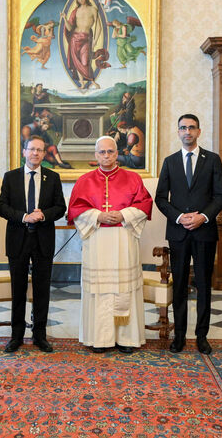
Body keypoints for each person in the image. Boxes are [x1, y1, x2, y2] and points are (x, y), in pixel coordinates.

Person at [68, 136, 152, 353]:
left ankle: (126, 339)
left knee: (124, 288)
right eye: (102, 152)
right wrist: (98, 216)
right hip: (97, 241)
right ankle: (99, 339)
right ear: (96, 155)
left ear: (117, 154)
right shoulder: (84, 181)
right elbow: (75, 209)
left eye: (110, 152)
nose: (106, 156)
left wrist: (123, 214)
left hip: (123, 238)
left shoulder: (133, 178)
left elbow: (144, 203)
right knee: (99, 290)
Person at [155, 114, 222, 354]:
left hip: (204, 232)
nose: (187, 131)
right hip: (178, 232)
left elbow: (220, 196)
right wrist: (179, 217)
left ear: (199, 131)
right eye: (183, 128)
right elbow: (161, 198)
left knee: (204, 285)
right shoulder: (170, 161)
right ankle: (180, 336)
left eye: (191, 127)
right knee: (179, 287)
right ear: (178, 132)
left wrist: (202, 217)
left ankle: (202, 336)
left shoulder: (213, 160)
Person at [0, 135, 67, 353]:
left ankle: (40, 335)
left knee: (42, 289)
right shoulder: (11, 177)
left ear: (44, 154)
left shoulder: (52, 178)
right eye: (31, 149)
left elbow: (60, 207)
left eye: (40, 150)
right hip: (18, 239)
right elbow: (1, 206)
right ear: (24, 151)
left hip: (43, 240)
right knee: (18, 289)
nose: (35, 153)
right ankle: (16, 335)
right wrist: (23, 216)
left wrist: (43, 215)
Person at [60, 0, 109, 90]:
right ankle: (82, 83)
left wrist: (95, 41)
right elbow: (69, 29)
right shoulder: (75, 11)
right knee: (77, 61)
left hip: (86, 38)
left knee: (85, 62)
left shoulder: (93, 9)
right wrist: (65, 18)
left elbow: (99, 27)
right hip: (75, 38)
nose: (80, 0)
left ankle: (93, 81)